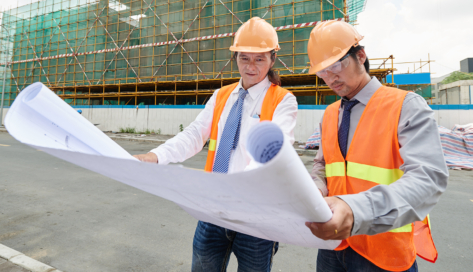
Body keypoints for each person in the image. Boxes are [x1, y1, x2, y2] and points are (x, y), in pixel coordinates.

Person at [134, 17, 298, 272]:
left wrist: (237, 191)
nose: (251, 66)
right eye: (244, 58)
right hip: (212, 212)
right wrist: (155, 156)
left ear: (272, 59)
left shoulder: (283, 101)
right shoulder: (222, 95)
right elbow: (194, 135)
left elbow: (273, 152)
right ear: (235, 58)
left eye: (259, 59)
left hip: (257, 217)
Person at [305, 20, 448, 272]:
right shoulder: (329, 114)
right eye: (322, 71)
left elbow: (429, 178)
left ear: (360, 56)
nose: (330, 77)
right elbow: (323, 164)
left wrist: (355, 210)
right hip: (334, 246)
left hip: (384, 250)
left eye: (336, 64)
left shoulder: (405, 106)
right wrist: (317, 188)